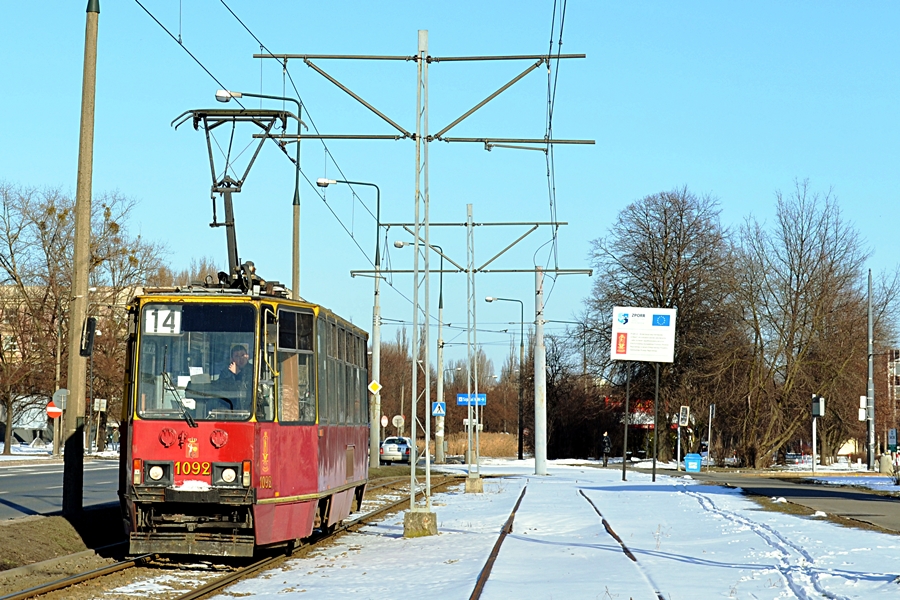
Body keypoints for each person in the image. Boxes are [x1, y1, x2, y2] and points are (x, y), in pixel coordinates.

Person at [218, 345, 251, 409]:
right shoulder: (226, 372)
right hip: (230, 406)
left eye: (243, 355)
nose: (240, 359)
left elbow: (248, 387)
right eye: (237, 356)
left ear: (247, 356)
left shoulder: (253, 370)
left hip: (249, 407)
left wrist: (237, 374)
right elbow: (222, 388)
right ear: (232, 359)